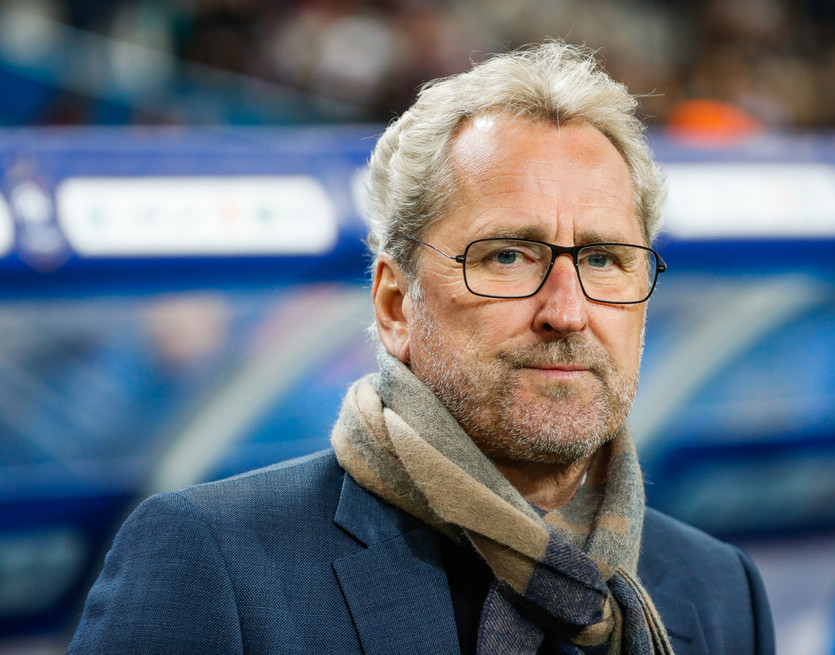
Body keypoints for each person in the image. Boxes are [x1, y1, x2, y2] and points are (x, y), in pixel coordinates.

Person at [68, 41, 775, 655]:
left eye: (602, 260)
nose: (566, 311)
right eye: (507, 256)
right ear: (394, 304)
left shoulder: (719, 589)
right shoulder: (213, 563)